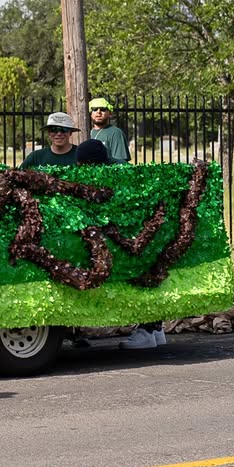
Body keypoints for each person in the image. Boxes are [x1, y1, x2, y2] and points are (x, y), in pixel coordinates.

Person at [77, 136, 165, 349]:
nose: (80, 170)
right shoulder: (117, 169)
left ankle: (148, 331)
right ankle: (155, 329)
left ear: (93, 163)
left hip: (136, 233)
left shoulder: (118, 173)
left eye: (83, 165)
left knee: (137, 278)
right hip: (141, 232)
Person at [88, 97, 130, 164]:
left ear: (109, 113)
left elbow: (122, 163)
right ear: (90, 113)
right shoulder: (85, 132)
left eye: (103, 109)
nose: (99, 112)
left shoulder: (116, 132)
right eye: (95, 109)